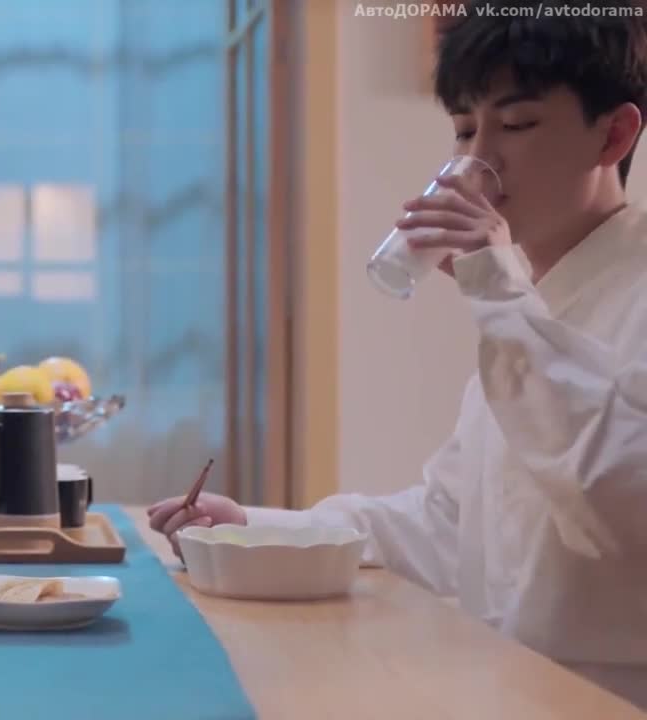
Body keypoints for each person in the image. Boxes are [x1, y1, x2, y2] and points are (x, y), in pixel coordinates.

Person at [149, 2, 647, 710]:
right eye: (465, 130)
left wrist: (499, 294)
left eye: (517, 125)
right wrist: (256, 531)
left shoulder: (572, 301)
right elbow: (448, 522)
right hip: (507, 692)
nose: (480, 162)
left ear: (615, 134)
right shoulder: (527, 308)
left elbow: (620, 497)